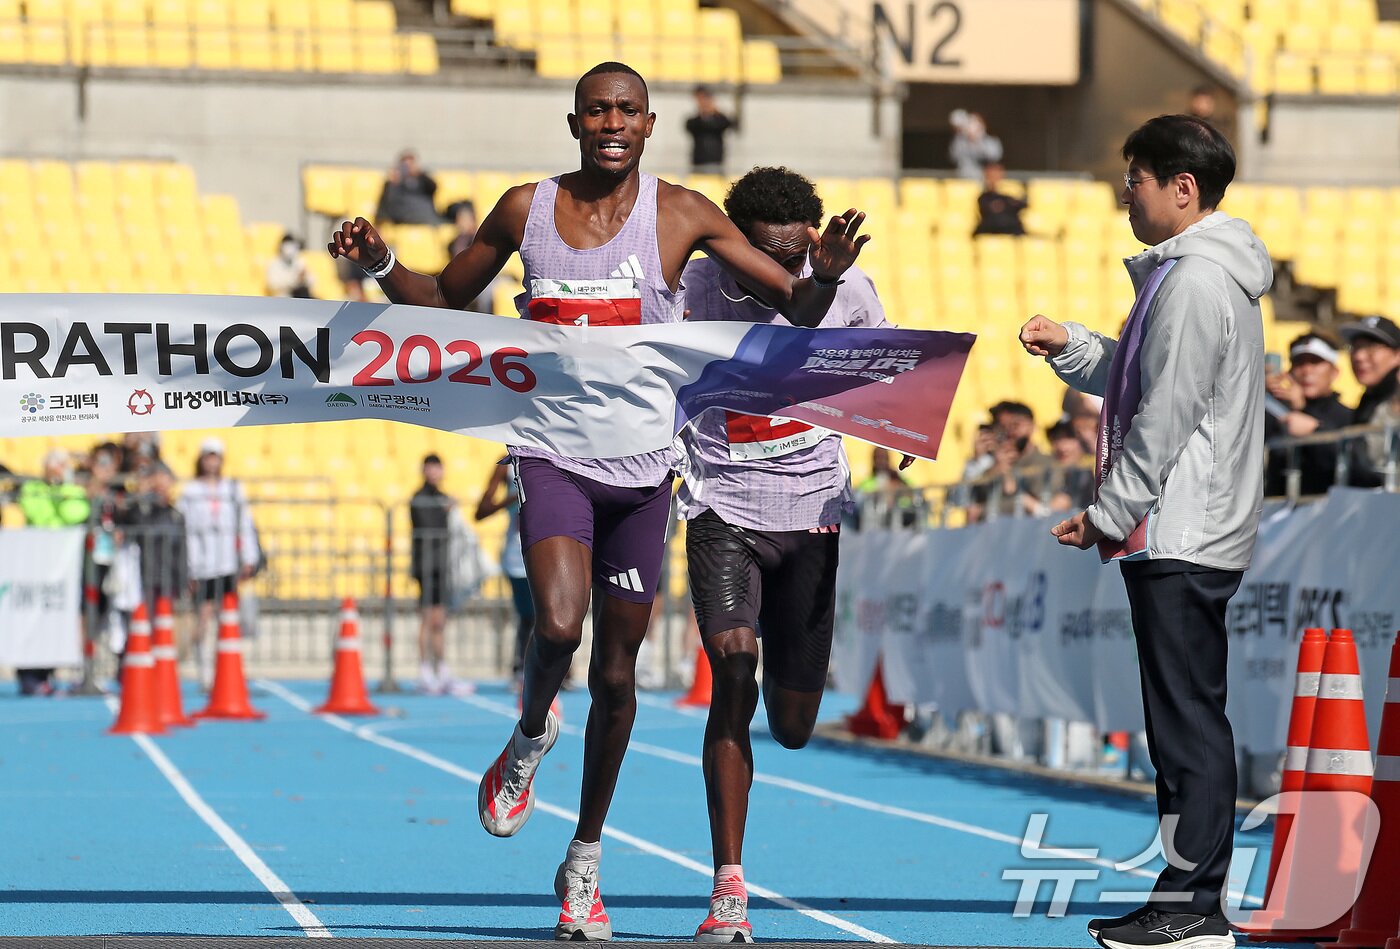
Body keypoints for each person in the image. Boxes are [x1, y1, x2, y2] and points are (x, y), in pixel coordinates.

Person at [327, 61, 868, 943]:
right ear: (574, 122)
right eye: (597, 110)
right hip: (552, 454)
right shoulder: (525, 209)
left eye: (627, 110)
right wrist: (382, 261)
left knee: (617, 680)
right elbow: (440, 300)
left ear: (649, 124)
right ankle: (529, 732)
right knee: (556, 623)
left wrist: (828, 274)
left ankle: (582, 860)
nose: (612, 122)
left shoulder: (683, 214)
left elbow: (797, 309)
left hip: (643, 472)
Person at [1019, 114, 1271, 949]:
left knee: (1187, 721)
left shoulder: (1195, 282)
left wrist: (1109, 510)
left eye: (1136, 179)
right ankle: (1185, 892)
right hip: (1179, 524)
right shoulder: (1186, 277)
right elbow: (1143, 377)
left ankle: (1196, 901)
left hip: (1183, 526)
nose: (1125, 194)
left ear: (1182, 188)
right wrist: (1072, 345)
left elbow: (1165, 414)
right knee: (1179, 721)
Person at [674, 165, 888, 943]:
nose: (783, 275)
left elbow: (882, 375)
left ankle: (785, 698)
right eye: (764, 258)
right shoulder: (693, 288)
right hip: (722, 505)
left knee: (793, 722)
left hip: (813, 514)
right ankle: (729, 885)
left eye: (796, 261)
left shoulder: (848, 287)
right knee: (733, 670)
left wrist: (898, 431)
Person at [178, 438, 259, 689]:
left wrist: (249, 556)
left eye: (215, 457)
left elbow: (245, 523)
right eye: (208, 456)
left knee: (228, 618)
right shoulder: (191, 490)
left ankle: (227, 671)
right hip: (202, 564)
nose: (212, 462)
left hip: (227, 563)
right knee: (203, 617)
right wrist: (188, 566)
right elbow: (185, 530)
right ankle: (204, 671)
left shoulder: (233, 488)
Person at [15, 450, 90, 695]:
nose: (58, 469)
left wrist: (63, 487)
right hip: (36, 563)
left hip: (62, 567)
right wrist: (59, 498)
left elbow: (74, 514)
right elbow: (40, 515)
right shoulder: (32, 488)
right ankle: (29, 676)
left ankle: (47, 674)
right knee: (30, 618)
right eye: (55, 464)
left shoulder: (72, 490)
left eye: (62, 465)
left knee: (55, 619)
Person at [1263, 331, 1352, 496]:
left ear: (1335, 372)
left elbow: (1350, 463)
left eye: (1316, 362)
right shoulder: (1275, 412)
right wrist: (1260, 395)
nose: (1307, 371)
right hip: (1276, 508)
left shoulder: (1347, 415)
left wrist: (1305, 411)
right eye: (1299, 363)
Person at [475, 457, 535, 686]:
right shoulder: (505, 467)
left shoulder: (552, 457)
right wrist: (514, 497)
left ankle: (558, 671)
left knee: (551, 613)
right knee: (529, 615)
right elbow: (480, 512)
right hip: (516, 554)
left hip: (549, 547)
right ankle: (521, 668)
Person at [409, 454, 460, 694]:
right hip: (425, 566)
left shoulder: (442, 497)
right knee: (427, 619)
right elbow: (427, 524)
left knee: (440, 621)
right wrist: (445, 510)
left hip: (441, 565)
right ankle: (424, 670)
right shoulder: (419, 498)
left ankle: (442, 669)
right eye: (430, 468)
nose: (433, 472)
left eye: (437, 468)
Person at [1337, 314, 1400, 487]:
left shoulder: (1393, 397)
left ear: (1397, 355)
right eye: (1355, 347)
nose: (1359, 356)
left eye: (1371, 347)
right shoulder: (1369, 400)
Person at [445, 201, 501, 313]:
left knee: (488, 291)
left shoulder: (481, 240)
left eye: (466, 219)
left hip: (484, 277)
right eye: (461, 219)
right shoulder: (454, 242)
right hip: (464, 278)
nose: (462, 223)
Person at [376, 149, 440, 225]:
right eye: (405, 166)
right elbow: (387, 205)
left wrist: (420, 174)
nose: (408, 168)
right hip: (405, 216)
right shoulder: (393, 183)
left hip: (425, 214)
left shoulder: (422, 179)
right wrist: (394, 184)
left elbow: (433, 189)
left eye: (411, 164)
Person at [685, 85, 737, 175]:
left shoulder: (719, 120)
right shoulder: (695, 121)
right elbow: (692, 126)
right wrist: (703, 114)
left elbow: (728, 123)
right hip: (698, 163)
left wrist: (715, 112)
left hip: (716, 162)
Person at [973, 160, 1027, 237]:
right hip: (990, 230)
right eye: (991, 175)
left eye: (997, 174)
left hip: (1012, 230)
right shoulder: (982, 196)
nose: (994, 177)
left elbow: (1021, 205)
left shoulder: (1012, 191)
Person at [949, 109, 1003, 180]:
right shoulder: (959, 141)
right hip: (963, 179)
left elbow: (995, 157)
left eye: (975, 124)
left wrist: (977, 141)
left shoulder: (992, 141)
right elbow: (954, 157)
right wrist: (967, 139)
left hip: (985, 180)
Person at [265, 233, 314, 298]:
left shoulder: (299, 261)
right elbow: (272, 285)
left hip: (301, 295)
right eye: (287, 246)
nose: (289, 249)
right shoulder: (274, 263)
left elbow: (312, 281)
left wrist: (304, 278)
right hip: (283, 298)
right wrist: (295, 280)